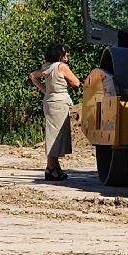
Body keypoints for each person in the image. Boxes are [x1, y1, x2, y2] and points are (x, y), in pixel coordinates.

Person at [29, 43, 81, 180]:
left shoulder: (47, 67)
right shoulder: (61, 67)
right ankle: (50, 168)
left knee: (53, 133)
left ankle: (55, 167)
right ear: (60, 55)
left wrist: (44, 90)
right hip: (59, 103)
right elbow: (76, 83)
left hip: (49, 101)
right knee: (56, 136)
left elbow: (33, 76)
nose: (67, 56)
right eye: (65, 54)